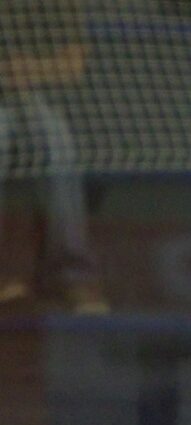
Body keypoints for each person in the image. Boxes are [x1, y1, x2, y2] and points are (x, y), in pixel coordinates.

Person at [0, 0, 106, 313]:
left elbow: (74, 63)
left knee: (56, 138)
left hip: (22, 94)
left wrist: (19, 71)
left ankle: (70, 272)